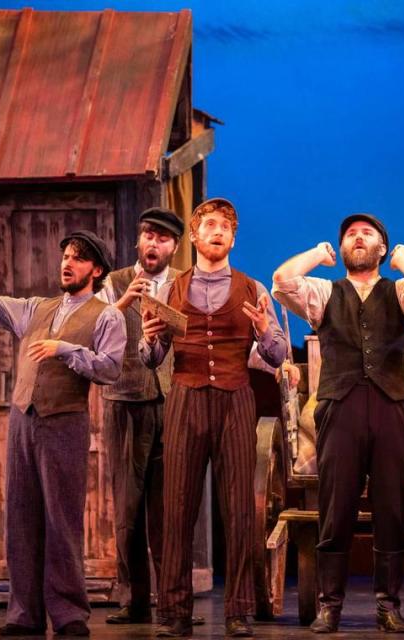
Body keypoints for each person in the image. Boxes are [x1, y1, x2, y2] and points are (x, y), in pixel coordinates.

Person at [0, 227, 125, 637]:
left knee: (61, 519)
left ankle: (69, 613)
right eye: (65, 256)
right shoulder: (38, 308)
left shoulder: (107, 315)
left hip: (64, 422)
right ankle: (24, 614)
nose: (67, 263)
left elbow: (110, 368)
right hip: (23, 421)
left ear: (97, 269)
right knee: (21, 517)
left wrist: (65, 349)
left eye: (78, 258)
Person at [272, 214, 404, 634]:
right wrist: (317, 253)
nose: (358, 237)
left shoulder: (399, 289)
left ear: (381, 248)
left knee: (392, 507)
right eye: (350, 234)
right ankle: (331, 606)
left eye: (368, 233)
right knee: (336, 507)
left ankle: (389, 604)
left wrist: (402, 258)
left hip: (390, 405)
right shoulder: (326, 292)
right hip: (341, 405)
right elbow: (281, 279)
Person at [141, 198, 287, 638]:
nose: (218, 232)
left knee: (240, 508)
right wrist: (149, 339)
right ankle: (174, 612)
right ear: (195, 235)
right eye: (210, 225)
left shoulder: (252, 288)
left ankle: (239, 610)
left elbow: (277, 354)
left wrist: (264, 330)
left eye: (226, 226)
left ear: (233, 238)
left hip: (235, 398)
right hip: (185, 398)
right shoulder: (172, 288)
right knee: (177, 505)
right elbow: (152, 358)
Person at [95, 208, 203, 627]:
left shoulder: (186, 283)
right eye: (147, 236)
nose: (153, 244)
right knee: (128, 508)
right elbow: (95, 329)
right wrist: (124, 302)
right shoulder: (115, 282)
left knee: (171, 509)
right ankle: (133, 599)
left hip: (174, 402)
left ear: (175, 245)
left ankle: (175, 601)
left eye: (162, 238)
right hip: (125, 403)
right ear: (138, 242)